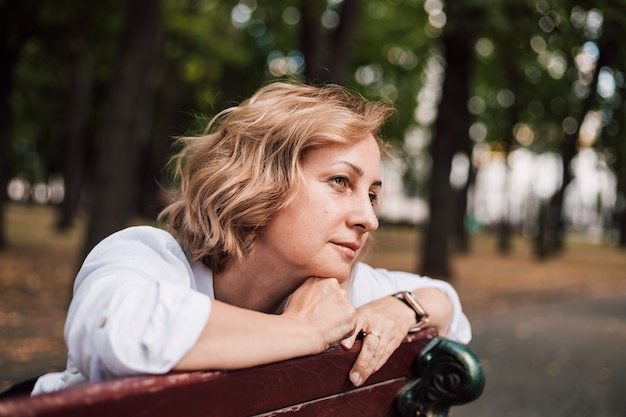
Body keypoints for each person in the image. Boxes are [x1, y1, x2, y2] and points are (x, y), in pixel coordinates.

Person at [32, 81, 471, 395]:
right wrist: (302, 332)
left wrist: (400, 307)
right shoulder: (149, 256)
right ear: (259, 182)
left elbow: (445, 301)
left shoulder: (333, 293)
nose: (368, 218)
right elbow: (119, 329)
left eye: (372, 195)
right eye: (340, 181)